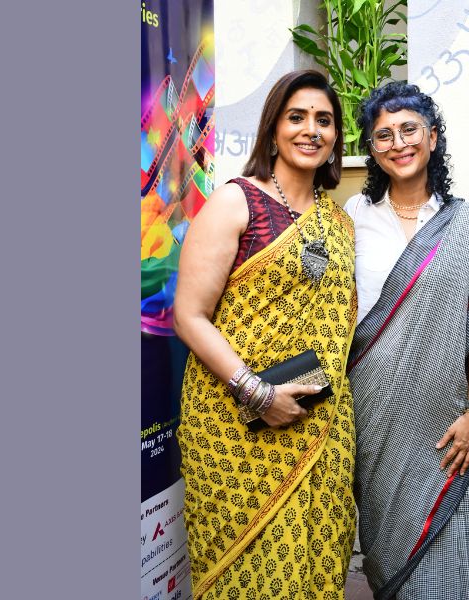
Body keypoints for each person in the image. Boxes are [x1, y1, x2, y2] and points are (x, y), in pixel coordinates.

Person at [174, 70, 358, 599]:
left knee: (316, 561)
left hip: (320, 423)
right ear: (274, 127)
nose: (311, 130)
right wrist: (257, 393)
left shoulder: (338, 223)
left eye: (324, 120)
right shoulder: (237, 203)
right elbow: (189, 316)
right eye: (297, 117)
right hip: (233, 426)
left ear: (335, 136)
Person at [344, 82, 469, 599]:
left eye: (409, 129)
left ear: (432, 137)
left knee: (460, 545)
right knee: (390, 546)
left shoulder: (468, 224)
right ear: (372, 149)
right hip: (375, 419)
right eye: (383, 135)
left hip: (450, 422)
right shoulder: (353, 218)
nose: (398, 143)